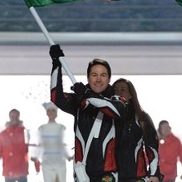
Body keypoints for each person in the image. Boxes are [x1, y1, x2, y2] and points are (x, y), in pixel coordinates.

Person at [49, 44, 128, 182]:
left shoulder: (118, 101)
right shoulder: (79, 102)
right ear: (88, 78)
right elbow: (56, 97)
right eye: (94, 75)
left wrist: (87, 94)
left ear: (109, 79)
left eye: (103, 75)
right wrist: (56, 63)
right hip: (82, 174)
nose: (98, 79)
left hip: (109, 176)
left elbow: (116, 111)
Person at [112, 78, 163, 182]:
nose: (118, 93)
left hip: (136, 176)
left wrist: (154, 174)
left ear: (131, 94)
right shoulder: (105, 117)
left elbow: (152, 147)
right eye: (115, 90)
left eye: (123, 90)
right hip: (111, 175)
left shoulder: (141, 117)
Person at [31, 101, 73, 182]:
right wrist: (36, 157)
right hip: (47, 164)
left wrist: (68, 156)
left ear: (56, 113)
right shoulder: (42, 128)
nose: (51, 113)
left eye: (53, 110)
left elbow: (62, 144)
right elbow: (40, 144)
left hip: (59, 163)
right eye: (49, 111)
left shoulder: (61, 127)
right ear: (46, 113)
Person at [0, 109, 29, 182]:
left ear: (19, 117)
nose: (14, 118)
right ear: (9, 117)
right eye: (12, 116)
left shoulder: (26, 133)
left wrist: (37, 165)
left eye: (16, 116)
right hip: (9, 172)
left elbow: (33, 150)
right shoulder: (3, 135)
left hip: (22, 171)